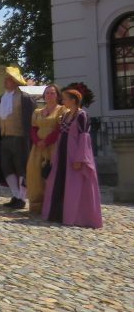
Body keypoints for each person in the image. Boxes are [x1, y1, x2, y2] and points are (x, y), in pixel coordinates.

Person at [42, 89, 102, 229]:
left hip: (74, 155)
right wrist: (55, 154)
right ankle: (59, 214)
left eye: (65, 99)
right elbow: (61, 135)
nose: (63, 101)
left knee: (75, 185)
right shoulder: (65, 115)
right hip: (63, 154)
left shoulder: (82, 115)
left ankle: (77, 216)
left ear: (73, 100)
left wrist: (80, 158)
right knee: (59, 183)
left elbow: (84, 138)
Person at [0, 66, 35, 209]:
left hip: (20, 138)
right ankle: (16, 195)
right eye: (6, 79)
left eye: (9, 79)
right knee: (7, 167)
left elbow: (31, 119)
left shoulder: (25, 98)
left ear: (15, 82)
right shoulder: (1, 99)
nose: (6, 81)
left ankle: (22, 198)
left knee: (21, 168)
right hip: (4, 138)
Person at [27, 84, 64, 215]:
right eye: (47, 93)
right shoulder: (38, 112)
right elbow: (33, 128)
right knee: (35, 173)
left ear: (57, 95)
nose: (49, 95)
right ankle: (37, 204)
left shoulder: (61, 110)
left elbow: (59, 129)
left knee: (51, 175)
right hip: (38, 147)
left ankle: (51, 205)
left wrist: (47, 141)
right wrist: (37, 141)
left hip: (53, 147)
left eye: (52, 93)